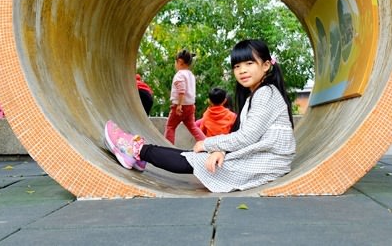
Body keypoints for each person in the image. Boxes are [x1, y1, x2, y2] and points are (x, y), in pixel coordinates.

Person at [104, 39, 296, 193]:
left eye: (249, 63)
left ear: (266, 66)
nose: (242, 70)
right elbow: (247, 134)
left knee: (195, 158)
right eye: (237, 66)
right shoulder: (259, 93)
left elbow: (248, 137)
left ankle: (135, 150)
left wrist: (208, 144)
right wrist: (220, 150)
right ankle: (140, 152)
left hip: (268, 162)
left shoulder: (266, 93)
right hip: (265, 158)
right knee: (198, 156)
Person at [163, 49, 205, 144]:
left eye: (175, 62)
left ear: (180, 62)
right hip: (190, 106)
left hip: (180, 107)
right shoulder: (191, 75)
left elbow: (181, 91)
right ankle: (206, 143)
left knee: (170, 126)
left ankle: (167, 148)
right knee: (192, 127)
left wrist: (179, 105)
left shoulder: (179, 75)